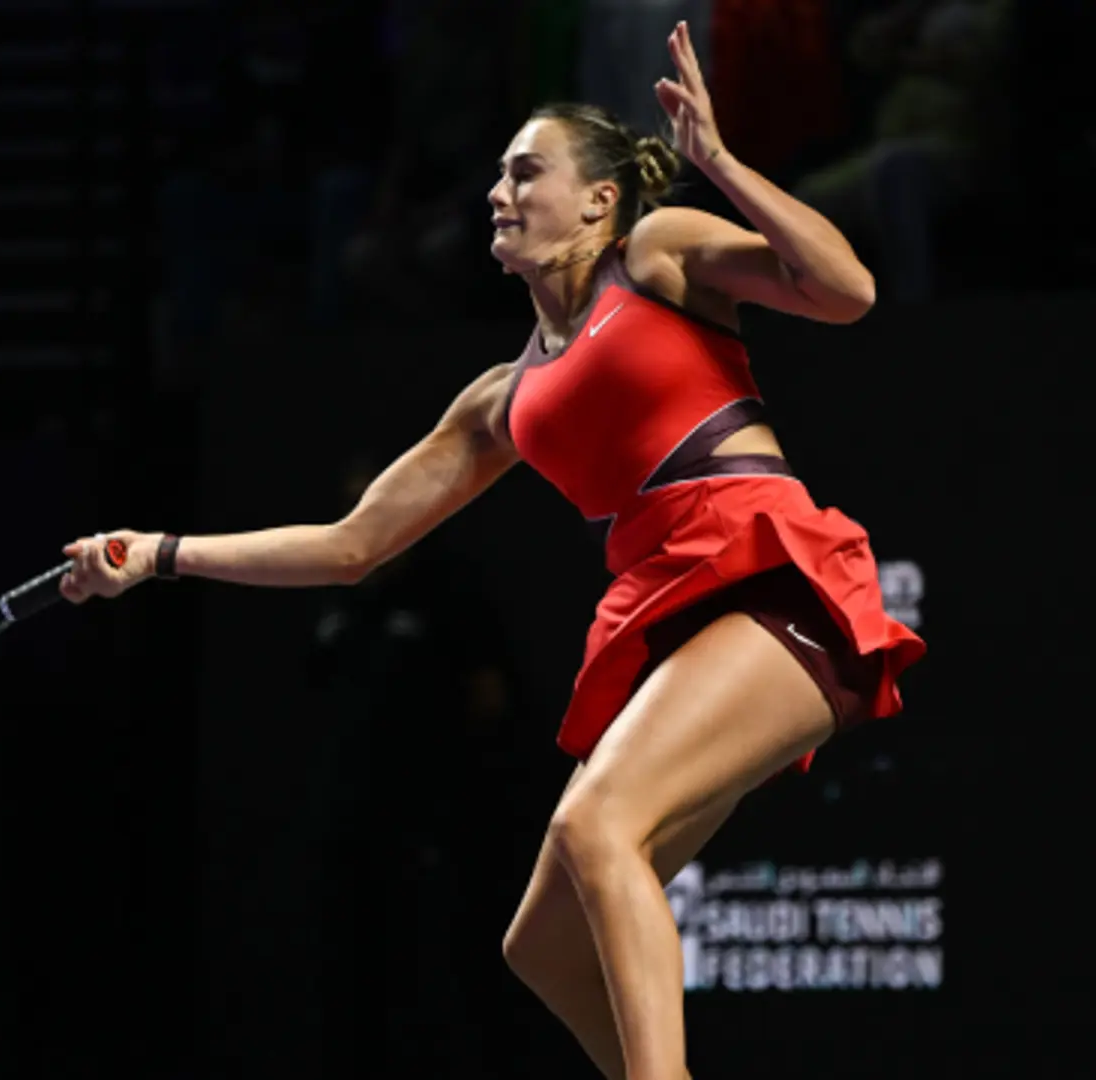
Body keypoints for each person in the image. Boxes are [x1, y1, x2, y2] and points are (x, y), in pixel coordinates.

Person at [60, 22, 926, 1080]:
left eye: (527, 171)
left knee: (602, 825)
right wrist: (159, 552)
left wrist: (723, 167)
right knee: (543, 947)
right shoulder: (498, 401)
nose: (497, 192)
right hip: (683, 615)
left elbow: (848, 292)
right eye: (499, 176)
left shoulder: (654, 257)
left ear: (601, 199)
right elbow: (348, 547)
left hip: (776, 584)